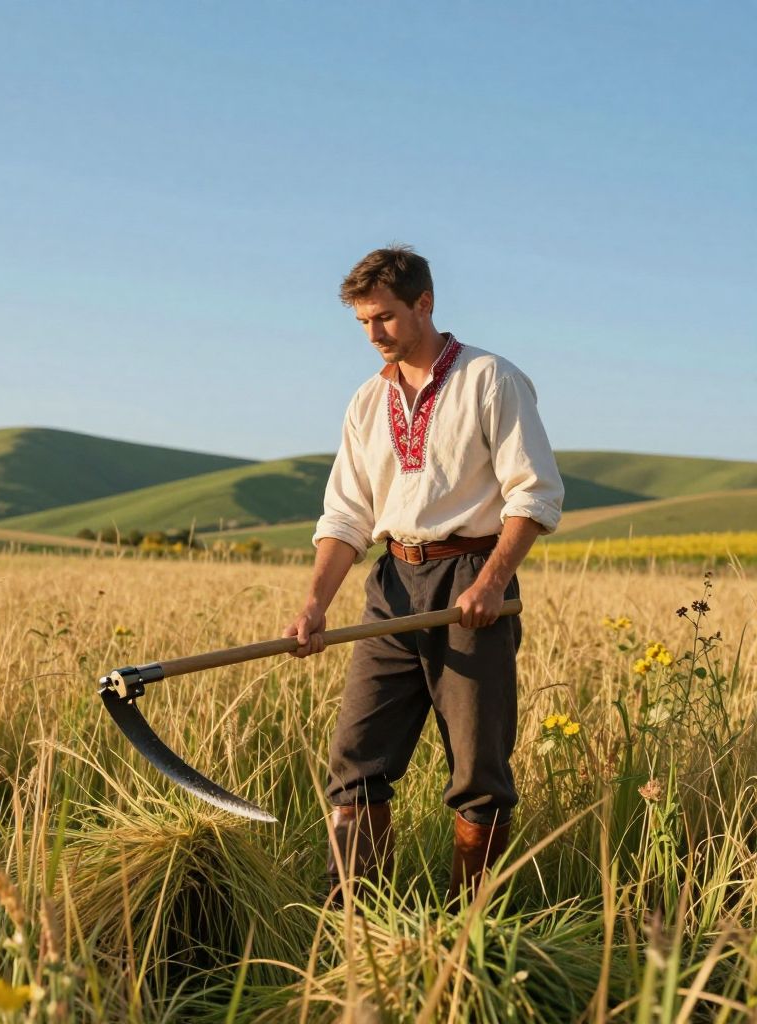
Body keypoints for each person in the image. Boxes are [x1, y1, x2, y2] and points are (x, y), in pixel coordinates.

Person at [283, 244, 564, 904]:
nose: (373, 335)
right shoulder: (365, 403)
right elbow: (346, 514)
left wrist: (491, 581)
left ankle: (471, 932)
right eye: (362, 324)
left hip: (470, 580)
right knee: (355, 760)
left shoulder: (491, 380)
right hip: (391, 584)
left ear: (425, 304)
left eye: (382, 318)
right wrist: (315, 604)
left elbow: (533, 493)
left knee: (478, 772)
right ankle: (354, 926)